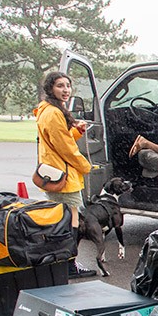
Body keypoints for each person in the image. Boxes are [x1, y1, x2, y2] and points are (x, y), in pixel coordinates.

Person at [34, 71, 96, 279]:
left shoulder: (50, 110)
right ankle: (69, 264)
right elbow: (65, 147)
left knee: (60, 219)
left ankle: (59, 261)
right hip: (64, 176)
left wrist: (77, 131)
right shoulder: (52, 113)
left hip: (55, 172)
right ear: (50, 88)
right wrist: (86, 166)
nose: (65, 90)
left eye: (68, 86)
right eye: (60, 86)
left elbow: (62, 138)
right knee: (72, 220)